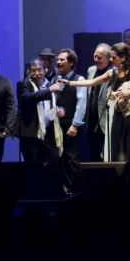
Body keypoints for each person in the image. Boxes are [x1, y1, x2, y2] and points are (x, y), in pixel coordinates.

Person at [68, 43, 130, 177]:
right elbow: (92, 82)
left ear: (122, 58)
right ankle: (116, 181)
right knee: (114, 150)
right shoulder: (113, 72)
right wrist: (70, 83)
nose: (110, 60)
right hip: (117, 114)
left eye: (113, 57)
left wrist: (125, 93)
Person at [16, 59, 64, 164]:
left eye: (39, 70)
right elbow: (27, 97)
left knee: (51, 166)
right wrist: (48, 91)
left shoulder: (50, 84)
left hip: (48, 133)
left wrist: (60, 110)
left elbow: (57, 103)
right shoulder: (24, 84)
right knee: (33, 167)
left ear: (45, 70)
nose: (37, 73)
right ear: (29, 71)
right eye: (33, 70)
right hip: (31, 134)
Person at [54, 49, 87, 192]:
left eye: (62, 59)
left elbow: (81, 104)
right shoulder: (57, 79)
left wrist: (75, 125)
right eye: (58, 59)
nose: (58, 62)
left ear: (71, 62)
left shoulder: (79, 79)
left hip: (71, 126)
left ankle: (74, 190)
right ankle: (63, 189)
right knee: (60, 158)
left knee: (71, 158)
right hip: (57, 126)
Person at [86, 43, 116, 162]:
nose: (96, 60)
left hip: (106, 119)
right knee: (93, 154)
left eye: (100, 58)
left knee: (107, 155)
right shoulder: (91, 70)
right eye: (95, 56)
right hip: (92, 119)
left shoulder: (113, 72)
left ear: (109, 59)